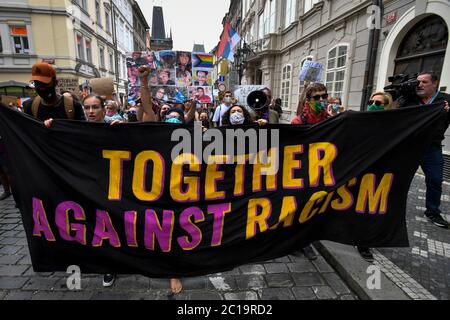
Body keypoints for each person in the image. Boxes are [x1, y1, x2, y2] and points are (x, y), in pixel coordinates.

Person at [399, 71, 450, 228]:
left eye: (424, 82)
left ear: (434, 84)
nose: (419, 85)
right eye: (418, 82)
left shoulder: (445, 100)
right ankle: (392, 208)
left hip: (432, 149)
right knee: (399, 180)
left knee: (435, 180)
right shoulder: (410, 100)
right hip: (409, 148)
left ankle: (432, 212)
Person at [291, 83, 331, 260]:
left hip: (323, 171)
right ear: (308, 100)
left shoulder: (330, 119)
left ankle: (306, 239)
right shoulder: (298, 122)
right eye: (317, 97)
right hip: (302, 172)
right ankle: (299, 242)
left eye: (324, 96)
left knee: (316, 207)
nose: (322, 100)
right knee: (301, 207)